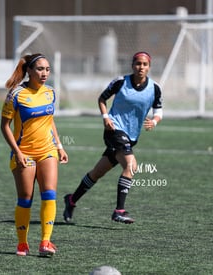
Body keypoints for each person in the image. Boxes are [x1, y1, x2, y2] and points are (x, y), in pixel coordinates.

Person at [63, 51, 163, 224]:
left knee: (97, 173)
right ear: (132, 65)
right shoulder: (121, 82)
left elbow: (158, 110)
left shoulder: (154, 88)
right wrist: (105, 118)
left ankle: (71, 200)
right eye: (138, 63)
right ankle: (119, 211)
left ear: (149, 67)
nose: (141, 67)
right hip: (114, 130)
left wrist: (154, 121)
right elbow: (102, 99)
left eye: (145, 64)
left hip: (131, 136)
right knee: (131, 166)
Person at [0, 53, 68, 256]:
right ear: (29, 70)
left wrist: (59, 146)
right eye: (40, 69)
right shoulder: (16, 94)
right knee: (25, 198)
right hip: (25, 154)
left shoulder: (50, 93)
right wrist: (17, 152)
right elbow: (4, 126)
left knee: (49, 194)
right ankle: (22, 244)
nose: (44, 73)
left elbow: (50, 121)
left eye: (47, 69)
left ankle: (45, 242)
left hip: (47, 151)